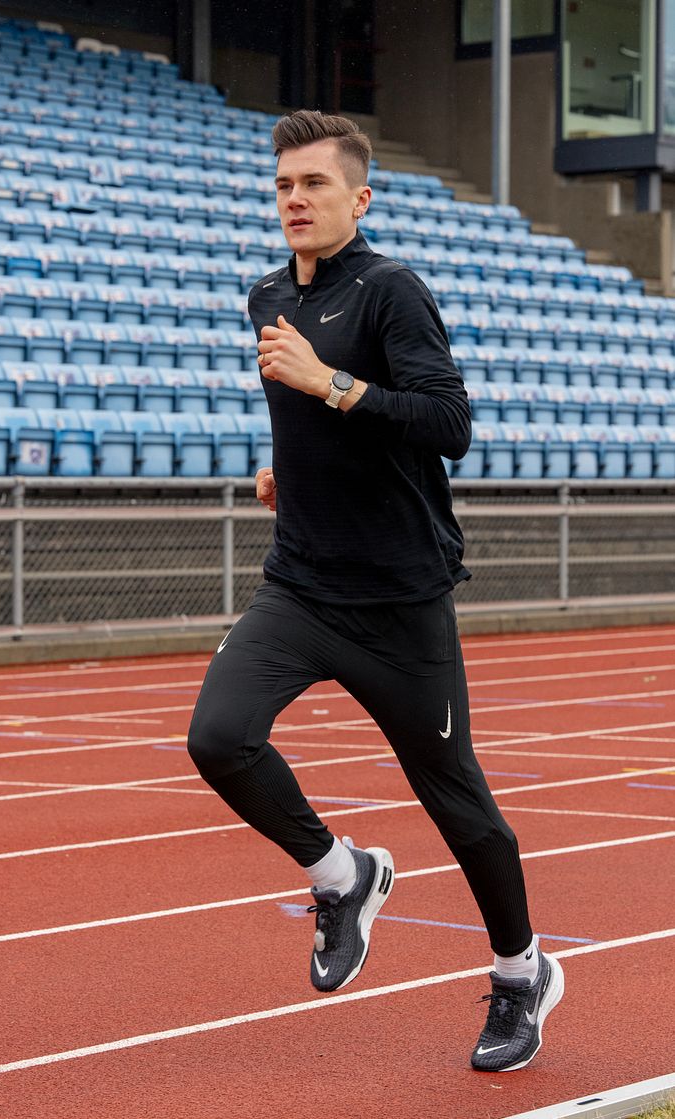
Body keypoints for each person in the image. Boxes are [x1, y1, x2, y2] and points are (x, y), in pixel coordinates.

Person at [187, 109, 563, 1073]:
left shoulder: (395, 292)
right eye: (282, 185)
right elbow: (308, 423)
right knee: (218, 737)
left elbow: (448, 423)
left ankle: (523, 974)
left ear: (359, 197)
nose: (294, 200)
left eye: (314, 185)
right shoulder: (268, 293)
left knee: (459, 803)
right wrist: (289, 472)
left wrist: (332, 386)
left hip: (399, 603)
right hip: (300, 586)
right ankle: (343, 876)